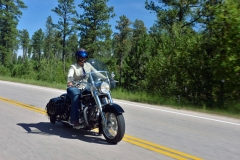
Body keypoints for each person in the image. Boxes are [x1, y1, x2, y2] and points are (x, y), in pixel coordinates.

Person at [66, 48, 106, 129]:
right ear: (77, 58)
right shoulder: (73, 67)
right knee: (76, 95)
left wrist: (106, 78)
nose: (83, 59)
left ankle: (104, 115)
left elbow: (96, 73)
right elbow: (70, 75)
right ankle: (74, 120)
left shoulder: (88, 65)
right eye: (81, 58)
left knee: (99, 92)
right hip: (74, 87)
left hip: (85, 87)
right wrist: (70, 80)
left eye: (84, 58)